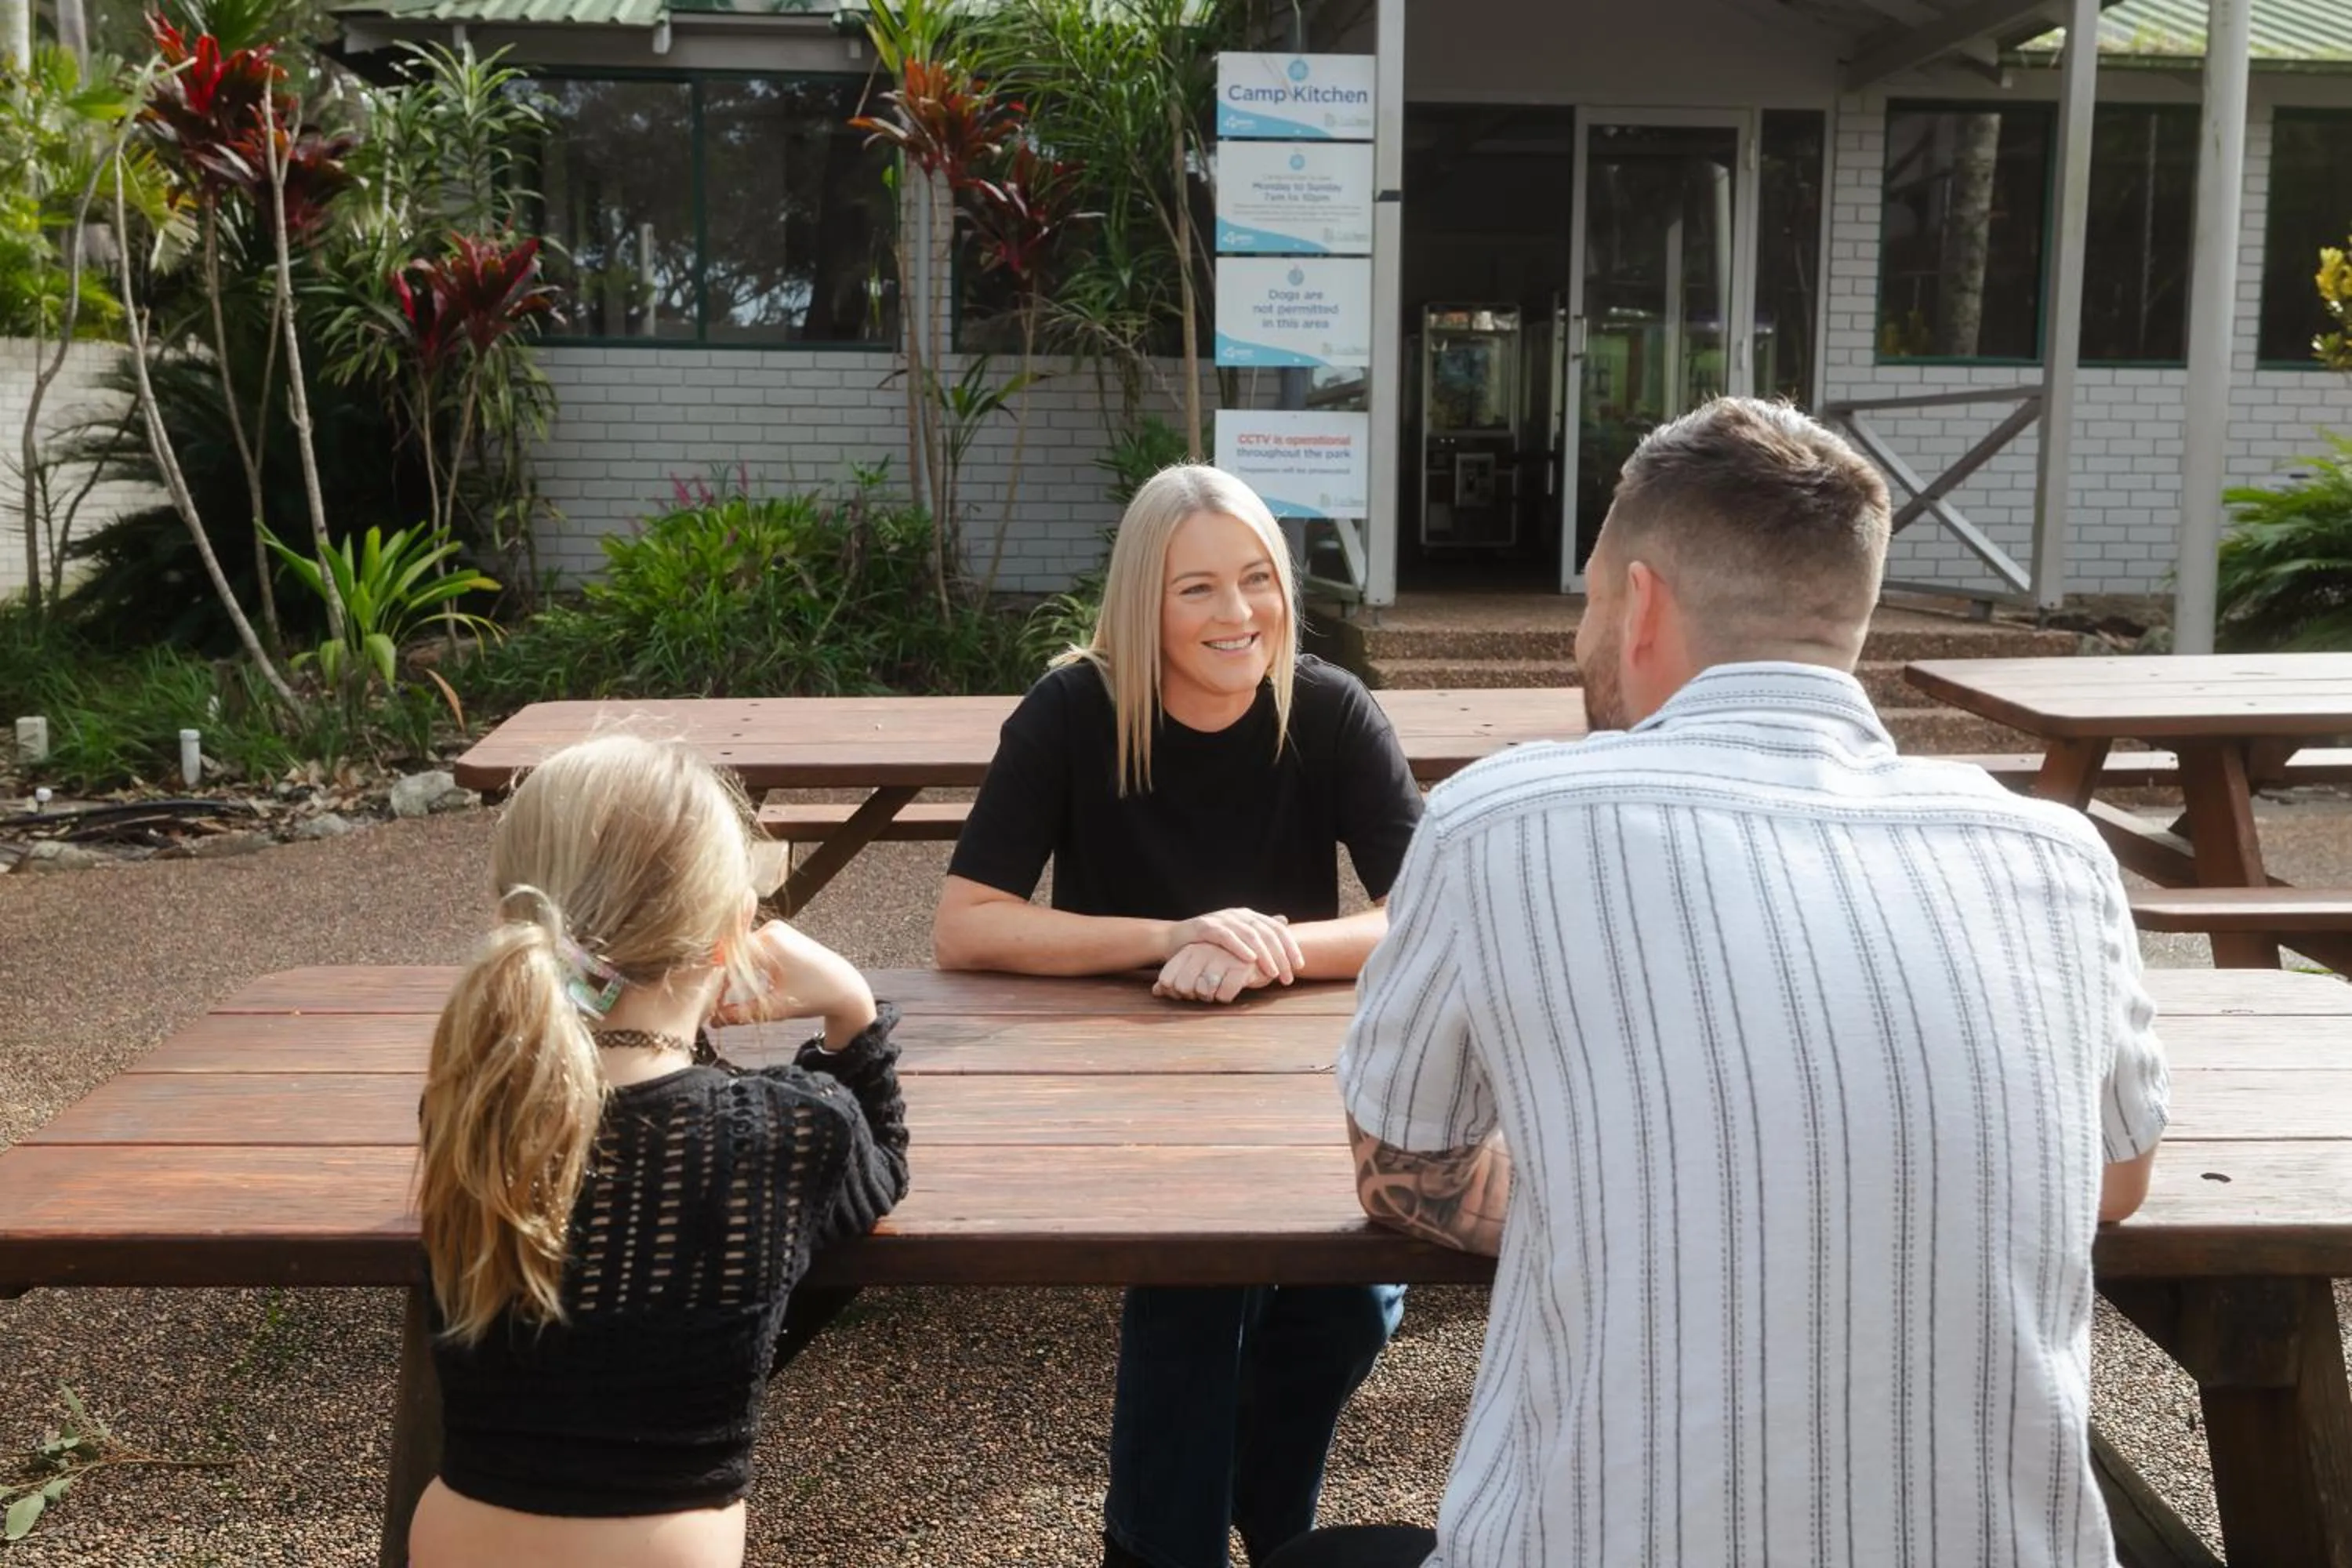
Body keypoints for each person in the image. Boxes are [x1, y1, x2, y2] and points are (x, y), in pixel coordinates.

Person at [1291, 397, 2171, 1568]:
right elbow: (2113, 1179)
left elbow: (1403, 1172)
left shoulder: (1500, 823)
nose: (1580, 639)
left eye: (1592, 599)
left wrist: (1635, 1197)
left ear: (1642, 603)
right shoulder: (2055, 858)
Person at [933, 463, 1426, 1568]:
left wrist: (1271, 950)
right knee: (1198, 1298)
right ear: (1143, 602)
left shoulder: (1331, 708)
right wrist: (1173, 935)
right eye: (1197, 588)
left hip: (1288, 1066)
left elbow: (1428, 916)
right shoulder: (1073, 710)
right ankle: (1165, 1549)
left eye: (1256, 580)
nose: (1237, 613)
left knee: (1356, 1297)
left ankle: (1264, 1498)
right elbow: (967, 923)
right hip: (1120, 1080)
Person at [408, 733, 909, 1568]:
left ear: (514, 919)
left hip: (455, 1535)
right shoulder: (788, 1128)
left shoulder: (469, 1110)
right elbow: (881, 1170)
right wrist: (851, 1009)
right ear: (733, 937)